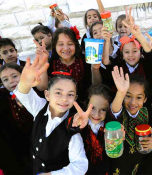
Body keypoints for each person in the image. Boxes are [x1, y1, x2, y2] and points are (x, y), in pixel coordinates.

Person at [13, 45, 91, 174]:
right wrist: (25, 82)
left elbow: (80, 165)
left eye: (70, 94)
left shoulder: (73, 127)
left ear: (75, 98)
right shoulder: (40, 107)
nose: (64, 99)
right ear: (47, 95)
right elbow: (24, 94)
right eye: (58, 93)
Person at [108, 66, 152, 174]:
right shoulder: (120, 112)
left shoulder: (147, 113)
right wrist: (121, 93)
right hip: (115, 165)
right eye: (128, 96)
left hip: (137, 165)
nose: (133, 102)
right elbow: (114, 112)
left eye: (139, 98)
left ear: (145, 99)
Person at [0, 62, 46, 174]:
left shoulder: (36, 91)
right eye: (5, 80)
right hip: (20, 147)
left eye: (14, 76)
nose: (11, 81)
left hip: (42, 142)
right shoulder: (3, 97)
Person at [47, 27, 95, 103]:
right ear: (54, 46)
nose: (65, 48)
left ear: (75, 45)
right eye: (61, 44)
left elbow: (92, 84)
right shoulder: (51, 64)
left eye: (70, 44)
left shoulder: (84, 61)